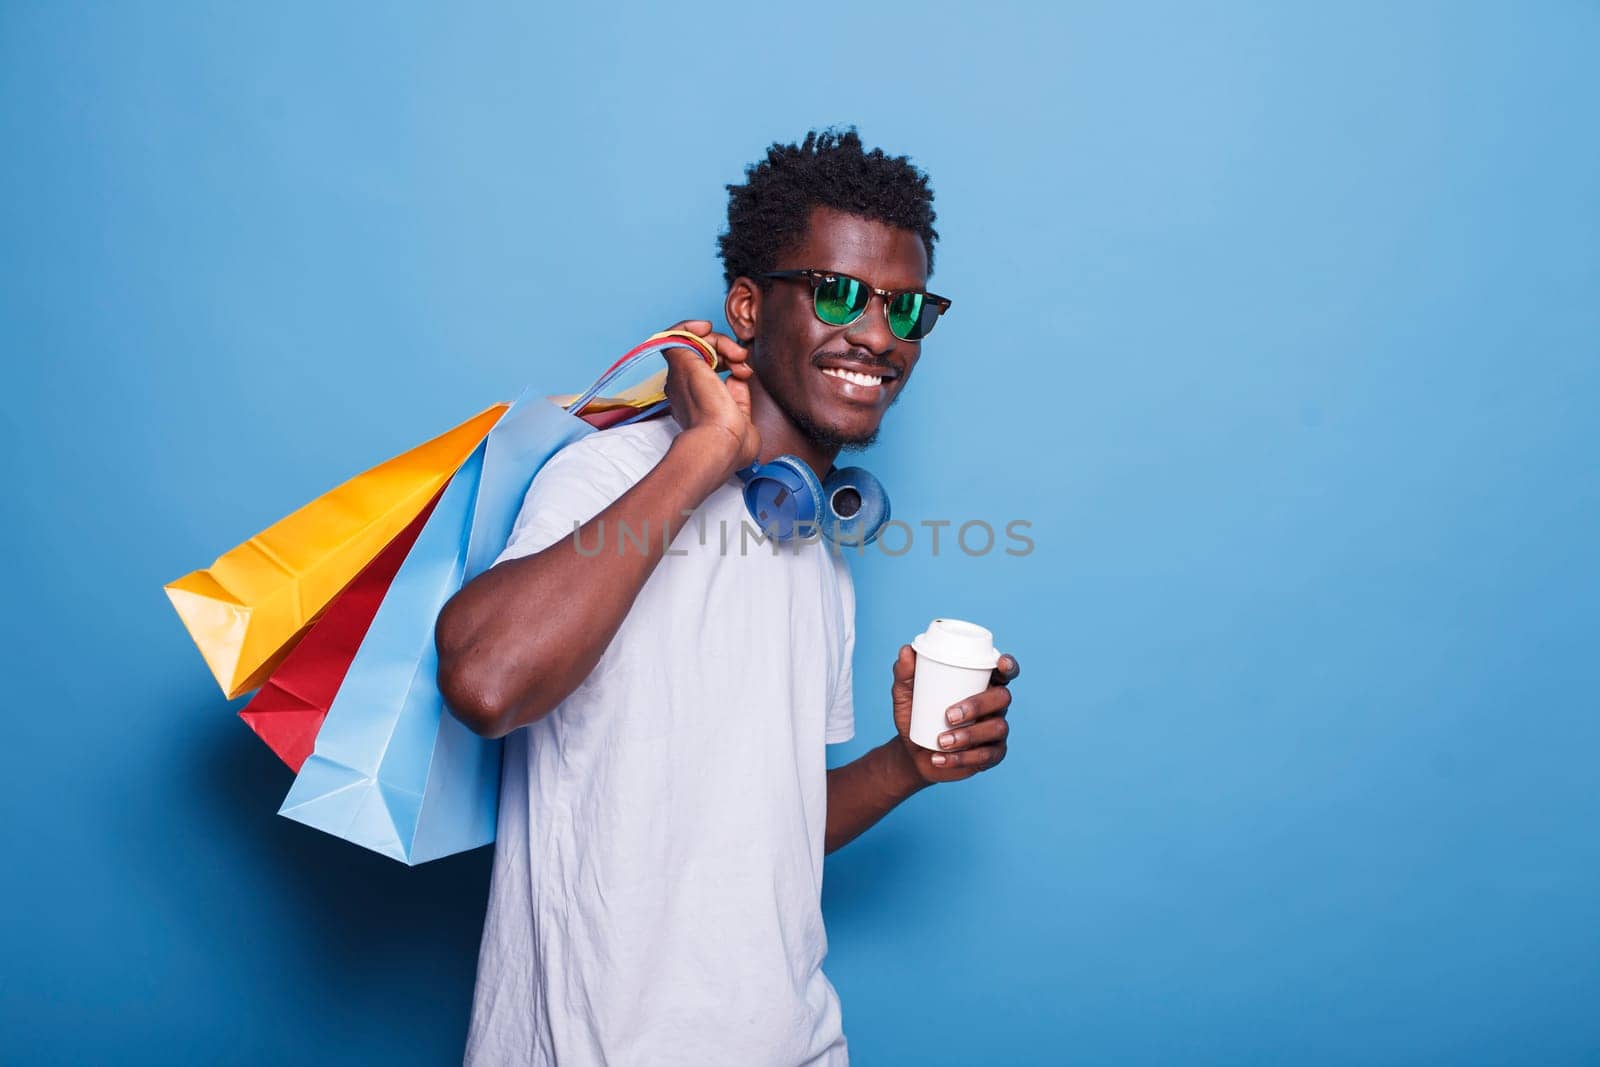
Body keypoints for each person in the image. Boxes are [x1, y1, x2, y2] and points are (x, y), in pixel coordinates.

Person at [436, 128, 1021, 1066]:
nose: (878, 335)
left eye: (907, 310)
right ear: (747, 307)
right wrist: (707, 450)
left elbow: (771, 827)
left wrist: (912, 762)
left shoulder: (816, 556)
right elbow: (485, 681)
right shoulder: (611, 479)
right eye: (838, 293)